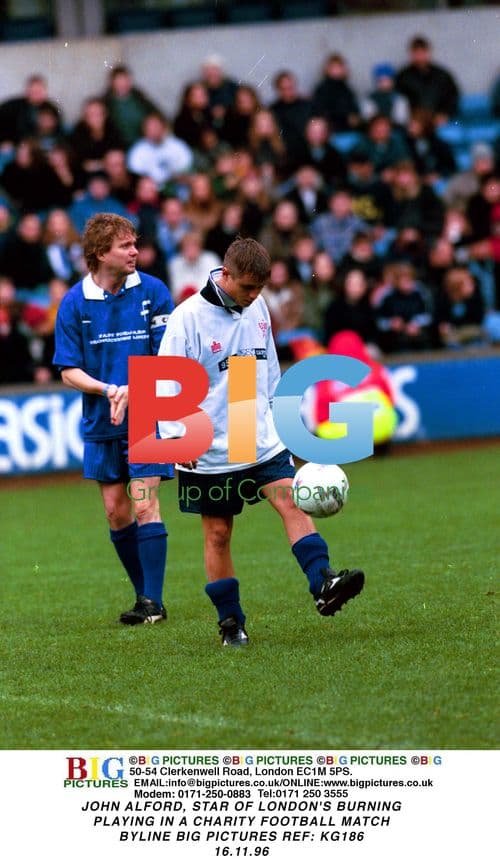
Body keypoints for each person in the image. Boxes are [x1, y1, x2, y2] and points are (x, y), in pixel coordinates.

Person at [158, 237, 364, 646]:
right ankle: (231, 623)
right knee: (218, 533)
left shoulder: (258, 308)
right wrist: (179, 438)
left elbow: (268, 367)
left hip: (254, 428)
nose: (254, 297)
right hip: (207, 438)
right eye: (248, 288)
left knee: (290, 499)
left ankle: (323, 582)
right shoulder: (187, 318)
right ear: (226, 274)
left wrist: (279, 419)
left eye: (260, 289)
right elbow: (165, 383)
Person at [53, 213, 174, 625]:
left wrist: (134, 390)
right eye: (126, 246)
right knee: (115, 513)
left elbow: (167, 358)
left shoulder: (154, 291)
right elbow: (68, 370)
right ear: (101, 253)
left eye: (135, 244)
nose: (136, 252)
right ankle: (144, 595)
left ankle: (153, 603)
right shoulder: (73, 303)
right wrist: (110, 390)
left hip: (149, 417)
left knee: (144, 505)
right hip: (103, 420)